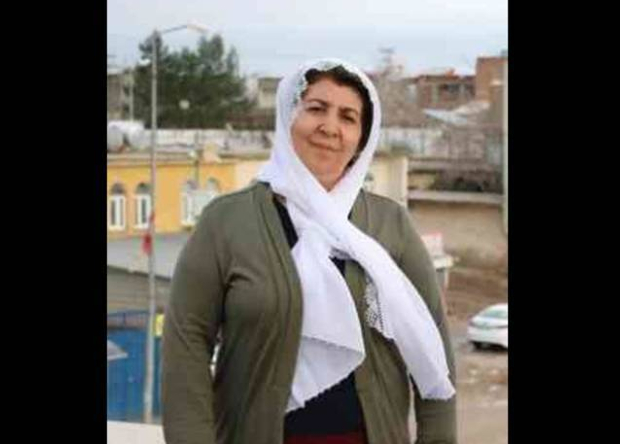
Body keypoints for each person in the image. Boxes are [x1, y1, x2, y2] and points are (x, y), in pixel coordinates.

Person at [162, 58, 457, 444]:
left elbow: (432, 341)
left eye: (348, 117)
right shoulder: (226, 222)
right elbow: (187, 343)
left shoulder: (390, 224)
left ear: (361, 139)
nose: (330, 127)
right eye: (316, 108)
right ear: (288, 117)